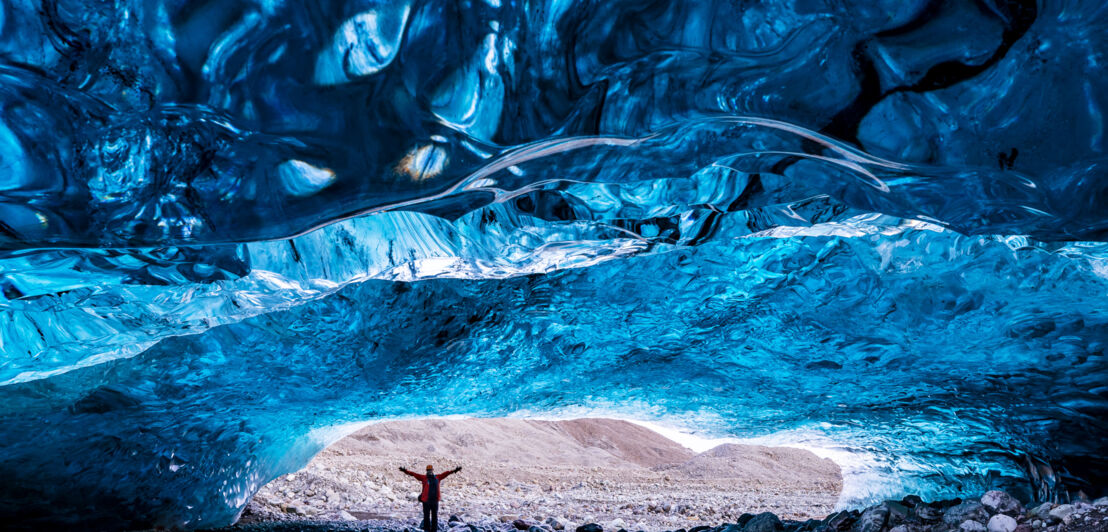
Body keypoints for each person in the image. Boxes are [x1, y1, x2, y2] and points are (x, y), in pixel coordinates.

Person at [399, 464, 462, 532]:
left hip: (432, 501)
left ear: (432, 470)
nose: (429, 471)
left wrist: (454, 471)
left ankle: (431, 530)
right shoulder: (426, 477)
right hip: (428, 501)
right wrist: (405, 471)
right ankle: (428, 530)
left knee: (432, 517)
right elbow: (414, 474)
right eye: (428, 470)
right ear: (427, 471)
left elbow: (446, 473)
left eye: (430, 470)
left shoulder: (436, 477)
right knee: (428, 517)